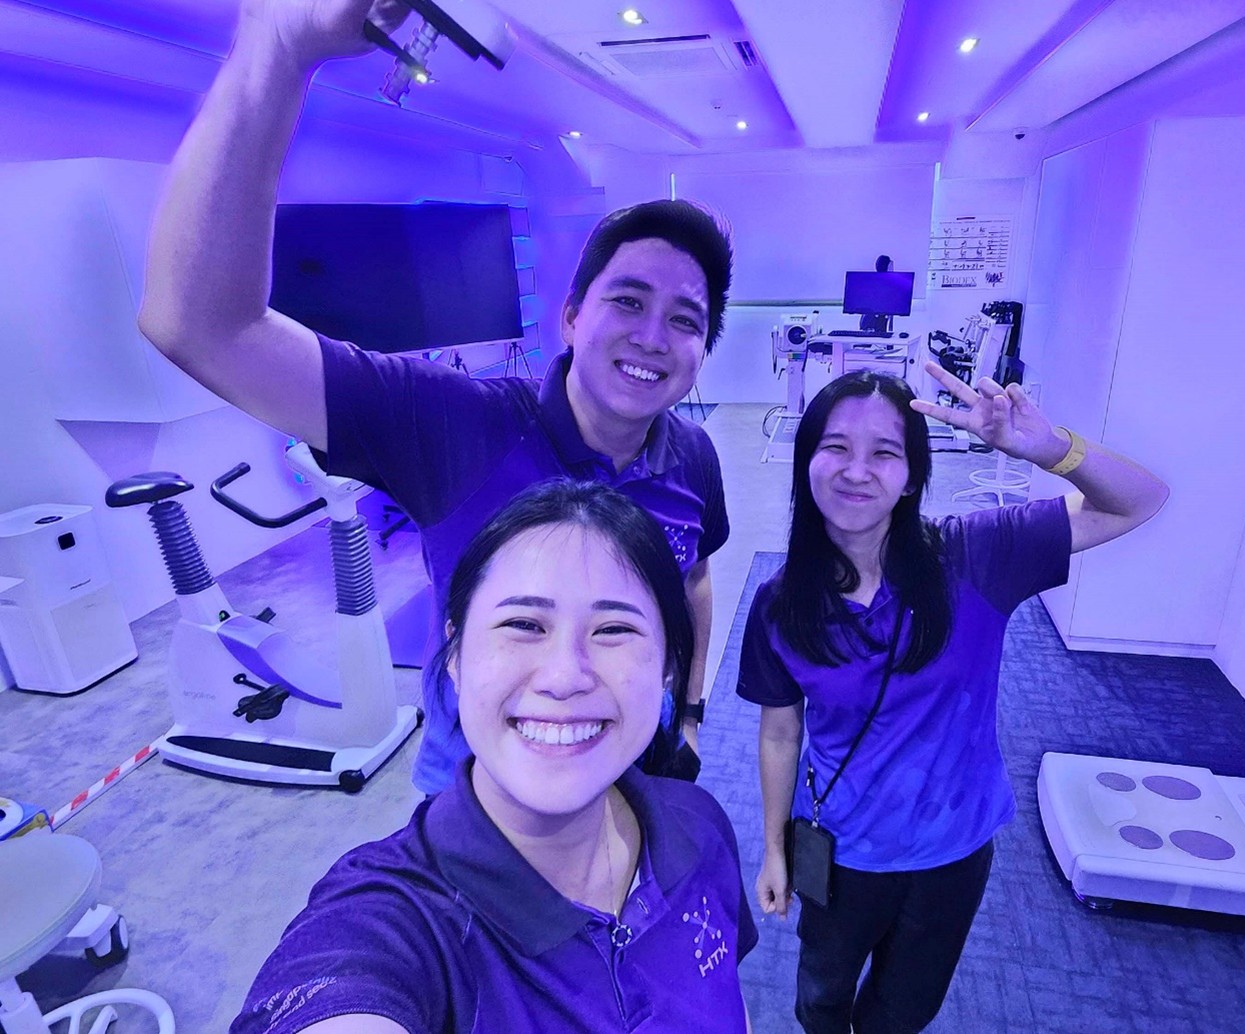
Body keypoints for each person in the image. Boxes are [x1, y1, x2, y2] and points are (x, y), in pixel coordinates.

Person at [138, 0, 731, 794]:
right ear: (570, 316)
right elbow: (201, 326)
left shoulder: (691, 455)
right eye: (627, 301)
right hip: (481, 807)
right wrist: (273, 50)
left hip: (638, 773)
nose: (653, 336)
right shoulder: (453, 422)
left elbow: (693, 582)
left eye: (685, 319)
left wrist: (687, 713)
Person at [231, 480, 758, 1034]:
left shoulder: (700, 826)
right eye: (524, 625)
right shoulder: (394, 923)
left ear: (668, 667)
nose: (564, 677)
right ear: (455, 653)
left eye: (613, 630)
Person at [738, 364, 1169, 1033]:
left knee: (903, 1011)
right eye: (835, 446)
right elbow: (779, 732)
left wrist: (1050, 449)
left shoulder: (976, 556)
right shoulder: (779, 604)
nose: (857, 470)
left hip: (952, 849)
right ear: (806, 463)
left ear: (912, 475)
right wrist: (773, 848)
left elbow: (1138, 501)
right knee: (821, 997)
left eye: (885, 452)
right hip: (842, 846)